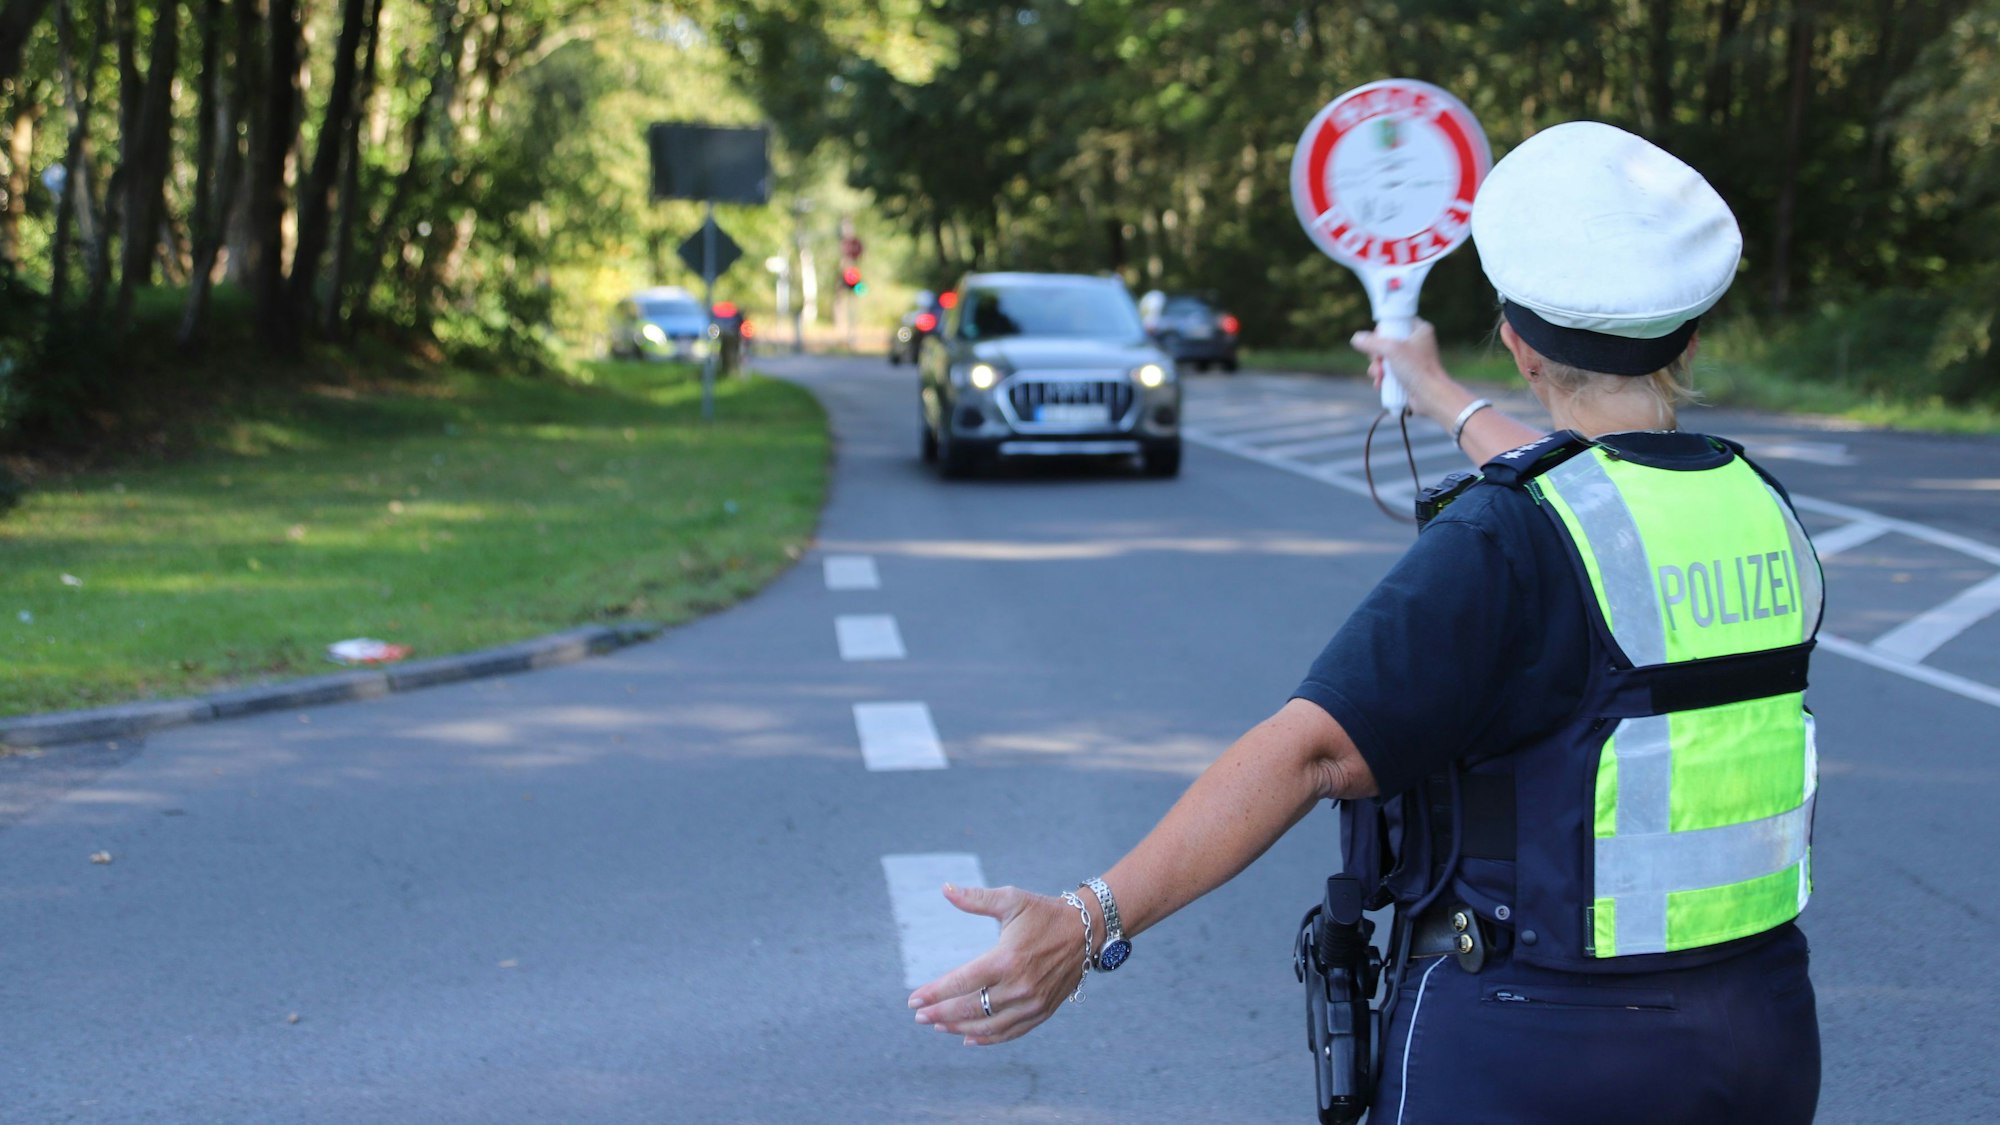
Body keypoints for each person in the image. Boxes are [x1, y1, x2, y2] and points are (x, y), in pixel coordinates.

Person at [907, 121, 1824, 1123]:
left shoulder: (1502, 543)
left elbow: (1309, 755)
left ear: (1515, 342)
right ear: (1688, 335)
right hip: (1759, 1036)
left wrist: (1084, 923)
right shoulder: (1757, 508)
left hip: (1541, 1048)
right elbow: (1599, 484)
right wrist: (1435, 396)